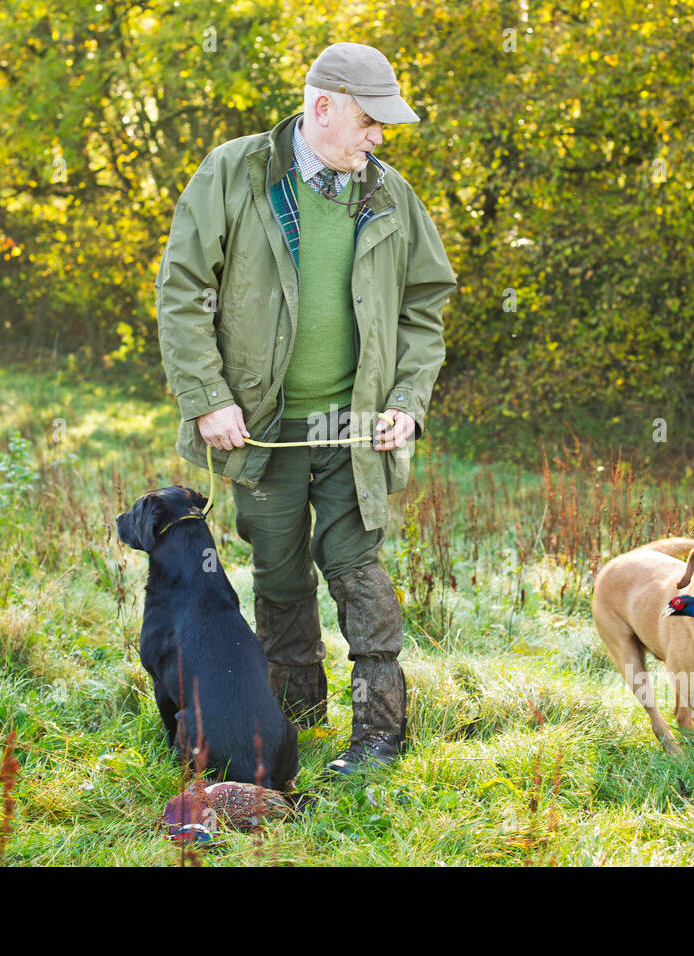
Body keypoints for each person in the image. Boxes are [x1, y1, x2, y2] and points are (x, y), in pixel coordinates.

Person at [154, 41, 457, 775]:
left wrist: (408, 402)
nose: (378, 137)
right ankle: (292, 714)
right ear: (322, 108)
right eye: (369, 121)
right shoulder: (233, 174)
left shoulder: (391, 195)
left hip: (358, 432)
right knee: (279, 571)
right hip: (265, 433)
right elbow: (183, 289)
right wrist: (209, 399)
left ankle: (380, 734)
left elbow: (426, 305)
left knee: (359, 570)